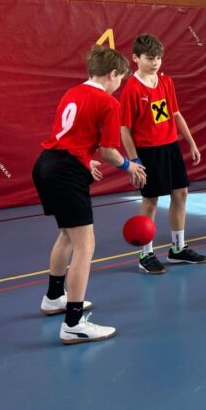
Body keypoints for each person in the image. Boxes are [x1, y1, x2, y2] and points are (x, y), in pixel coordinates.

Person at [33, 46, 146, 344]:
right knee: (86, 245)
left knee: (67, 236)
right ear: (112, 74)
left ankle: (54, 297)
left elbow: (68, 138)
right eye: (120, 78)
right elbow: (109, 151)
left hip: (47, 164)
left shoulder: (72, 92)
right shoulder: (108, 102)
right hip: (65, 172)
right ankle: (73, 323)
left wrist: (85, 161)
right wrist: (129, 166)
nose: (119, 84)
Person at [120, 33, 206, 274]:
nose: (155, 62)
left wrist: (191, 142)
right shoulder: (131, 89)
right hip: (148, 152)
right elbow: (125, 129)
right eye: (150, 58)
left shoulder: (166, 81)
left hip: (170, 147)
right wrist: (134, 160)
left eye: (158, 57)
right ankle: (145, 253)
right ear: (136, 58)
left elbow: (175, 114)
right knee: (151, 201)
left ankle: (178, 249)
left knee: (180, 193)